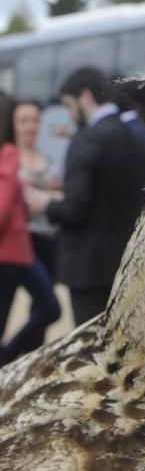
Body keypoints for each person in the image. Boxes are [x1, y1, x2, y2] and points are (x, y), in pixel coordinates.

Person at [24, 67, 145, 326]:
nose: (71, 115)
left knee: (93, 347)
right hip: (130, 262)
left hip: (89, 269)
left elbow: (74, 209)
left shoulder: (86, 139)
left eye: (69, 105)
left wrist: (44, 203)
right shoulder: (139, 134)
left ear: (85, 97)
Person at [0, 94, 61, 364]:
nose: (30, 126)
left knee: (43, 313)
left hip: (47, 242)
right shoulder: (9, 157)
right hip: (20, 244)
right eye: (23, 120)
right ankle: (9, 359)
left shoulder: (47, 160)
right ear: (12, 123)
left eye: (34, 120)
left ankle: (30, 364)